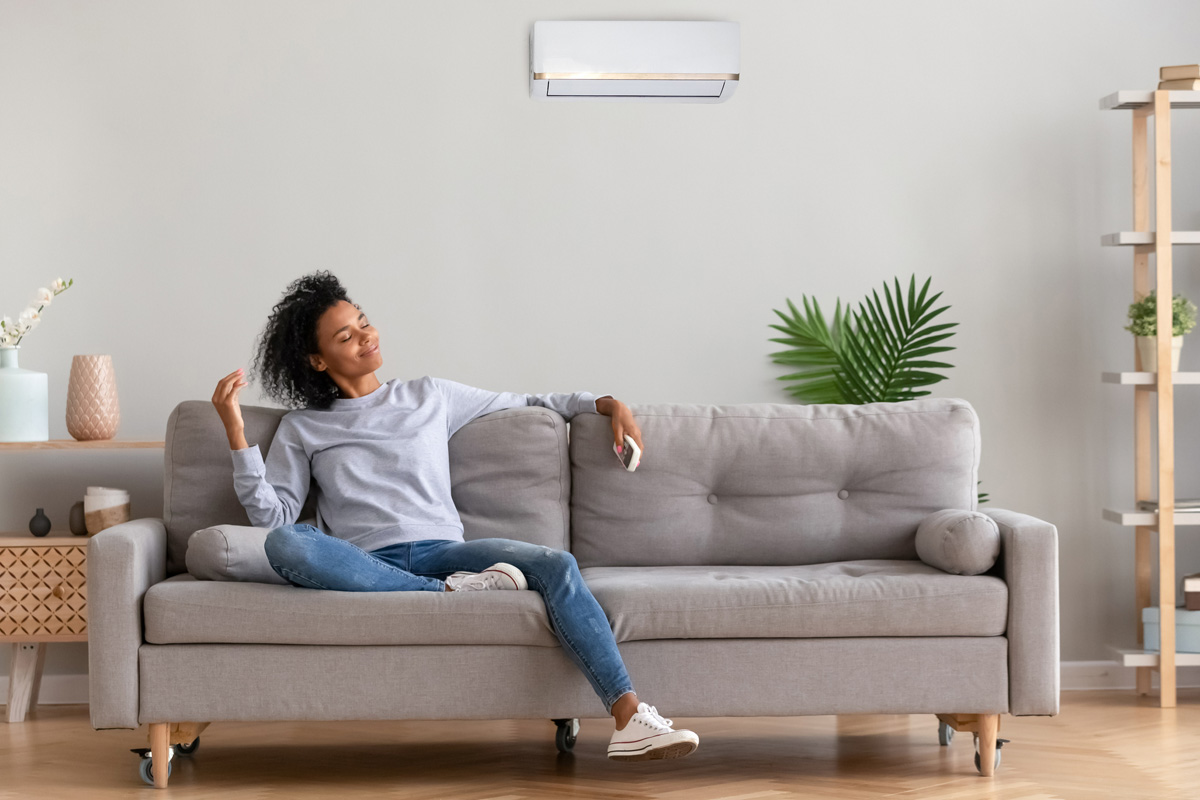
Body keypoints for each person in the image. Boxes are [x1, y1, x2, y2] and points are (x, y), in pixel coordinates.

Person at [210, 270, 699, 762]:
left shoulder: (429, 396)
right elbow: (274, 519)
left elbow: (531, 401)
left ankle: (629, 716)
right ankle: (447, 593)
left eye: (363, 323)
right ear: (317, 360)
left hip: (446, 552)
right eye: (346, 336)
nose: (366, 337)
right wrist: (236, 432)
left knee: (557, 564)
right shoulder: (303, 427)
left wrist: (611, 405)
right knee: (286, 545)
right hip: (365, 565)